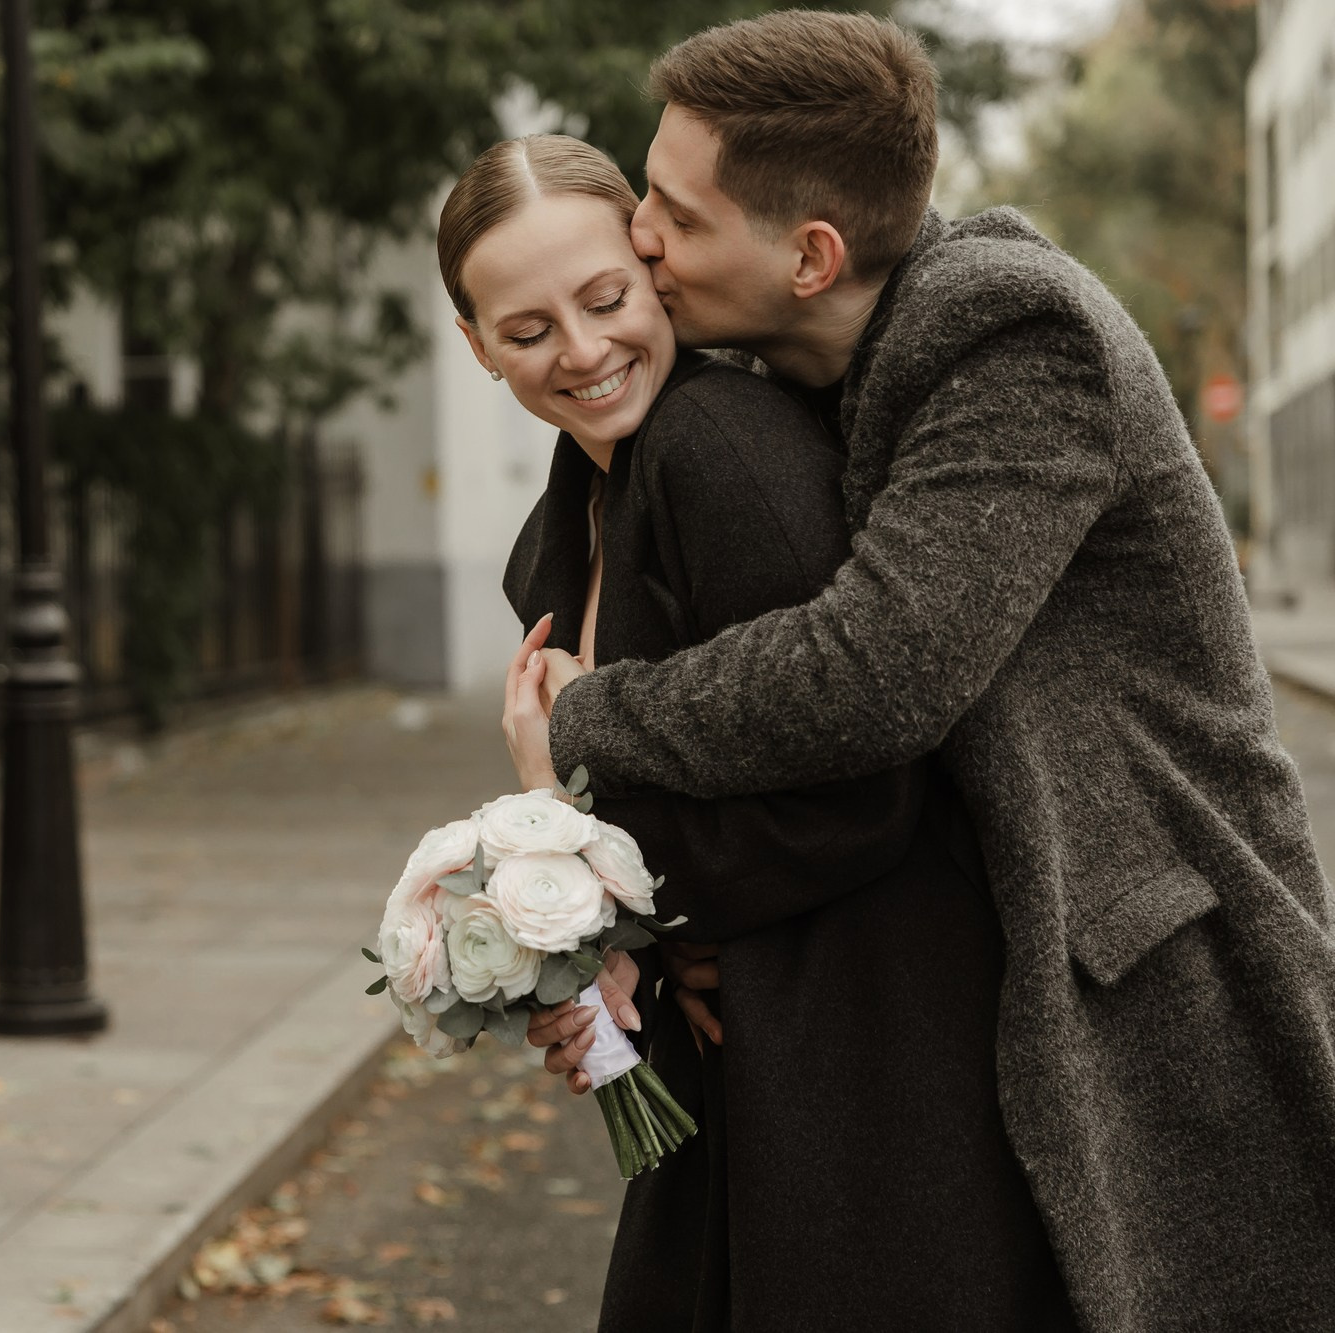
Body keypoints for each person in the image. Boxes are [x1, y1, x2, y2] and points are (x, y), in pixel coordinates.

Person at [524, 13, 1335, 1331]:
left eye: (671, 213)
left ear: (811, 255)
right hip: (992, 952)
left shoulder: (1013, 335)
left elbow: (872, 671)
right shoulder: (784, 365)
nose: (641, 239)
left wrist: (587, 716)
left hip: (1158, 974)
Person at [441, 133, 1071, 1331]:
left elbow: (864, 782)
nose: (580, 350)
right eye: (524, 332)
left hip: (860, 1051)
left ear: (650, 262)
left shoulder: (719, 447)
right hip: (748, 1052)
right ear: (474, 348)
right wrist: (588, 943)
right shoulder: (566, 519)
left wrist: (647, 916)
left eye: (605, 298)